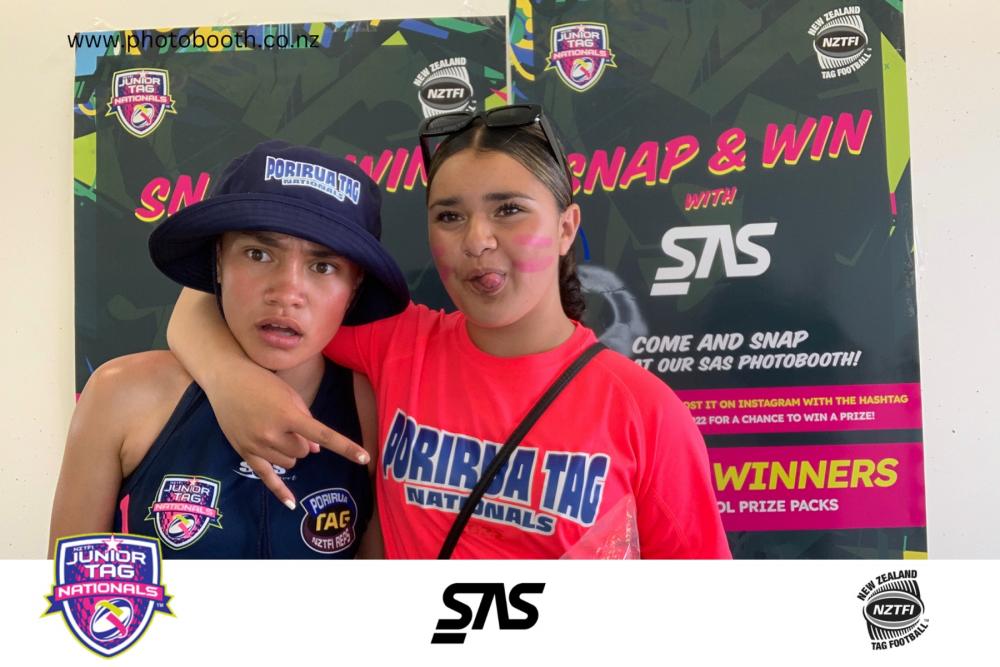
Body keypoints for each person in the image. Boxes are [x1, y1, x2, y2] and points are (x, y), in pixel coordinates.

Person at [167, 105, 731, 559]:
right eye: (450, 216)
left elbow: (703, 613)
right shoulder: (396, 342)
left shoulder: (645, 412)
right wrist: (231, 381)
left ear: (566, 228)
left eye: (508, 210)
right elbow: (211, 297)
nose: (477, 240)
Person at [48, 141, 410, 558]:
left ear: (356, 286)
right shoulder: (121, 393)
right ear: (218, 259)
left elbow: (373, 591)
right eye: (258, 254)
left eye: (323, 266)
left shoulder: (372, 407)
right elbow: (66, 588)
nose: (287, 293)